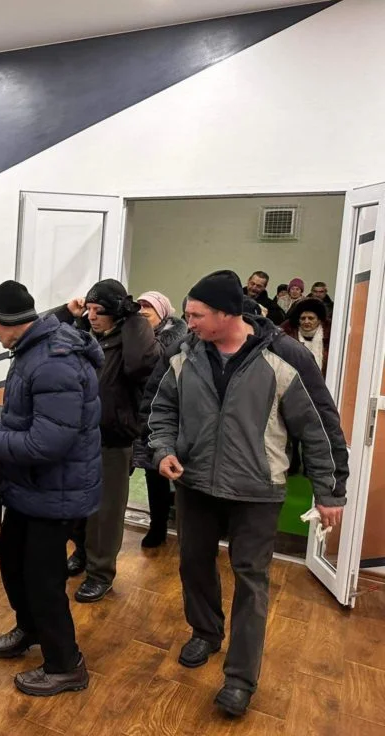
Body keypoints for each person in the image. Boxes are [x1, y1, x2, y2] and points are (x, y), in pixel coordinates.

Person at [145, 270, 348, 717]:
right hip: (195, 483)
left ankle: (239, 678)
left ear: (227, 314)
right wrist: (162, 450)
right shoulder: (185, 354)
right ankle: (205, 632)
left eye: (196, 314)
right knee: (193, 563)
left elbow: (319, 428)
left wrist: (329, 492)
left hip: (258, 490)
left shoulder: (285, 357)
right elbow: (161, 410)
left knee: (250, 581)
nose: (188, 321)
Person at [0, 280, 102, 697]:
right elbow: (30, 421)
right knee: (14, 565)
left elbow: (49, 443)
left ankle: (65, 664)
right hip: (29, 487)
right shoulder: (30, 350)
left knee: (43, 579)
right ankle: (31, 629)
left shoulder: (54, 361)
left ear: (11, 322)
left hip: (55, 491)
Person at [52, 280, 160, 602]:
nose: (92, 316)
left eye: (100, 311)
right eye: (90, 310)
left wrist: (134, 316)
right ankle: (83, 553)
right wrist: (67, 312)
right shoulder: (88, 339)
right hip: (79, 438)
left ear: (117, 314)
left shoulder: (129, 340)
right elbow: (46, 337)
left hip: (113, 440)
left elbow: (141, 363)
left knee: (105, 513)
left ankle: (101, 573)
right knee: (75, 505)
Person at [132, 291, 188, 548]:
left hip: (161, 416)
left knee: (158, 474)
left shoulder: (173, 344)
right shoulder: (133, 335)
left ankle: (159, 527)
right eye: (140, 305)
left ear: (162, 312)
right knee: (140, 472)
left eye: (148, 307)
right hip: (132, 414)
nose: (142, 310)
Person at [280, 297, 331, 378]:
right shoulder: (288, 335)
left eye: (311, 318)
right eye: (303, 318)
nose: (306, 321)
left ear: (319, 320)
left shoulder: (330, 337)